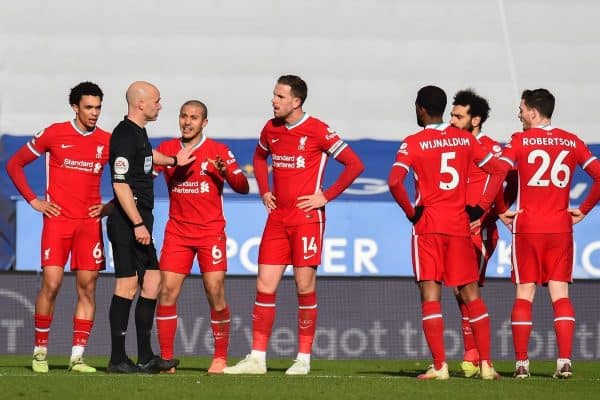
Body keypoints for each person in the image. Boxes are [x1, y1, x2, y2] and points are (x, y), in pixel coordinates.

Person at [223, 74, 364, 376]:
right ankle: (257, 358)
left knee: (304, 286)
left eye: (280, 96)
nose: (273, 101)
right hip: (277, 219)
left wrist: (325, 196)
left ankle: (303, 358)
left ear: (296, 102)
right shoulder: (270, 129)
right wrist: (264, 190)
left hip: (307, 220)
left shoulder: (318, 130)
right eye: (273, 95)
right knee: (264, 286)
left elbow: (355, 164)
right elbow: (259, 158)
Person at [387, 85, 509, 380]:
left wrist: (411, 212)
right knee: (471, 295)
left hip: (427, 227)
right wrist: (479, 208)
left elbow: (394, 182)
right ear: (444, 110)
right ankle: (487, 365)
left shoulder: (413, 143)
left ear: (420, 109)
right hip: (458, 227)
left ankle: (440, 366)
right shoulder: (464, 139)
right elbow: (499, 171)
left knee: (431, 294)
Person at [6, 82, 110, 373]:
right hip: (58, 221)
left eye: (98, 107)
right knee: (51, 283)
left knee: (87, 288)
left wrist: (110, 206)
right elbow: (14, 164)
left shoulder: (107, 140)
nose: (94, 113)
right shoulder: (54, 133)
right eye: (89, 107)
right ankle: (40, 352)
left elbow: (134, 176)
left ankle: (77, 357)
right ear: (75, 107)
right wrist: (34, 201)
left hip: (89, 224)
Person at [496, 88, 600, 379]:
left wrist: (502, 208)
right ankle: (564, 363)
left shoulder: (519, 141)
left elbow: (498, 173)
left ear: (533, 111)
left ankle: (521, 366)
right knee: (560, 294)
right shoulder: (571, 141)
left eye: (521, 109)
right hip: (559, 228)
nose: (519, 114)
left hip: (527, 227)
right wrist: (584, 209)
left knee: (524, 293)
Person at [153, 100, 249, 374]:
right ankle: (167, 359)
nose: (187, 121)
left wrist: (226, 172)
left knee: (215, 291)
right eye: (184, 116)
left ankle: (220, 357)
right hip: (178, 232)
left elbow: (243, 186)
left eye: (194, 117)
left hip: (210, 233)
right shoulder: (169, 149)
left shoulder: (218, 151)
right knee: (167, 291)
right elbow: (148, 172)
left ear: (204, 123)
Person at [106, 81, 194, 373]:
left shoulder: (139, 133)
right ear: (140, 104)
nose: (160, 105)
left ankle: (146, 357)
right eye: (156, 100)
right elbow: (119, 185)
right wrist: (138, 223)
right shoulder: (123, 135)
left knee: (154, 281)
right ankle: (118, 358)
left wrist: (172, 160)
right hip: (128, 221)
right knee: (127, 285)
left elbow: (146, 156)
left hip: (141, 218)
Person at [449, 89, 503, 378]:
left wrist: (488, 214)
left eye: (459, 116)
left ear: (476, 119)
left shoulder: (491, 148)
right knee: (460, 291)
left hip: (478, 231)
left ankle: (480, 358)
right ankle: (473, 355)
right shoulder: (452, 145)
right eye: (451, 115)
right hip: (455, 229)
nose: (453, 120)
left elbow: (508, 177)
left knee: (470, 291)